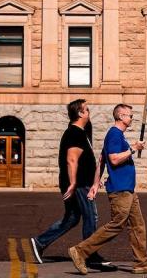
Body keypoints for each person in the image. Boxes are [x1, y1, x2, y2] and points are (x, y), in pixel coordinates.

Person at [67, 104, 147, 275]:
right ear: (120, 116)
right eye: (130, 116)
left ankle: (141, 263)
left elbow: (101, 160)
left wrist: (95, 184)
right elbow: (113, 159)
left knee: (137, 226)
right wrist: (133, 149)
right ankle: (80, 251)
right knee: (116, 224)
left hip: (128, 190)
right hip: (120, 190)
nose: (132, 118)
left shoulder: (118, 136)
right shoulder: (114, 134)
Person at [28, 99, 115, 271]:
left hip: (79, 183)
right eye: (87, 109)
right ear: (80, 113)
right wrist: (74, 183)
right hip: (79, 184)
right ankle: (89, 255)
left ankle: (39, 242)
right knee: (91, 216)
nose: (89, 112)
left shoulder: (80, 132)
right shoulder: (74, 133)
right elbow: (72, 159)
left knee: (72, 218)